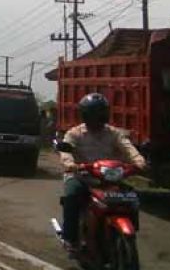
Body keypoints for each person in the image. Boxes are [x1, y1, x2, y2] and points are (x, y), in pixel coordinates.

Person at [59, 93, 146, 251]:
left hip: (109, 178)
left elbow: (127, 147)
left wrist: (138, 161)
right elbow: (66, 150)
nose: (97, 118)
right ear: (85, 115)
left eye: (101, 113)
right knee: (72, 196)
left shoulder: (114, 133)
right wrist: (70, 164)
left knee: (131, 197)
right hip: (81, 176)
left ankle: (127, 231)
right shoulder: (74, 133)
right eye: (93, 114)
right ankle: (70, 238)